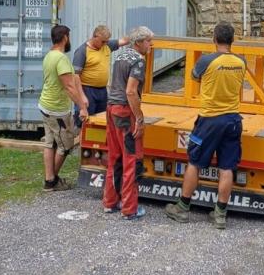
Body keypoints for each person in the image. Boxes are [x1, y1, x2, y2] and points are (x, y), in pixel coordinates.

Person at [165, 21, 246, 229]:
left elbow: (194, 76)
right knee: (227, 167)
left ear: (214, 39)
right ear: (232, 40)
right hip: (233, 119)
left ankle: (182, 208)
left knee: (195, 162)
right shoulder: (241, 61)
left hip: (209, 120)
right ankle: (220, 214)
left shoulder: (207, 60)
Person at [103, 25, 154, 220]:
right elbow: (131, 91)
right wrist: (139, 118)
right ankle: (129, 209)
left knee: (114, 157)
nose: (151, 44)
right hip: (125, 112)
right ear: (139, 42)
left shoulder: (120, 56)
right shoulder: (138, 61)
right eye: (148, 41)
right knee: (131, 160)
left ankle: (110, 202)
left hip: (111, 108)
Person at [38, 24, 88, 192]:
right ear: (65, 37)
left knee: (50, 143)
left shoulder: (49, 55)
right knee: (65, 146)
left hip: (45, 105)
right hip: (57, 110)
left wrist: (81, 95)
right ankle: (52, 181)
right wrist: (82, 106)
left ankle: (49, 179)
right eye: (69, 37)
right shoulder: (61, 58)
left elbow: (73, 78)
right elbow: (68, 86)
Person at [72, 25, 129, 127]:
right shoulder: (82, 51)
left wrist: (139, 36)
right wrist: (82, 97)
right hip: (87, 90)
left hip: (102, 91)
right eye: (103, 41)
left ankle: (98, 142)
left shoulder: (106, 45)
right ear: (95, 36)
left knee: (101, 119)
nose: (105, 44)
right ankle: (82, 140)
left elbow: (124, 41)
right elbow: (76, 76)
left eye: (107, 41)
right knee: (86, 120)